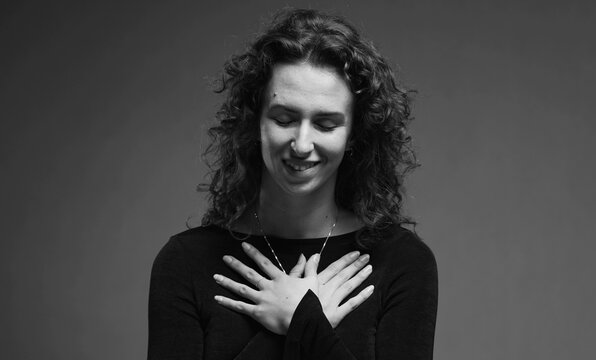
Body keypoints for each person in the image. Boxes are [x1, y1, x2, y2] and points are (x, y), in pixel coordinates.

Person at [148, 8, 437, 360]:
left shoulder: (402, 262)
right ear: (256, 122)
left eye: (326, 124)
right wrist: (303, 322)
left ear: (353, 136)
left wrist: (302, 320)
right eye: (284, 118)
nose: (301, 144)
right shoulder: (185, 263)